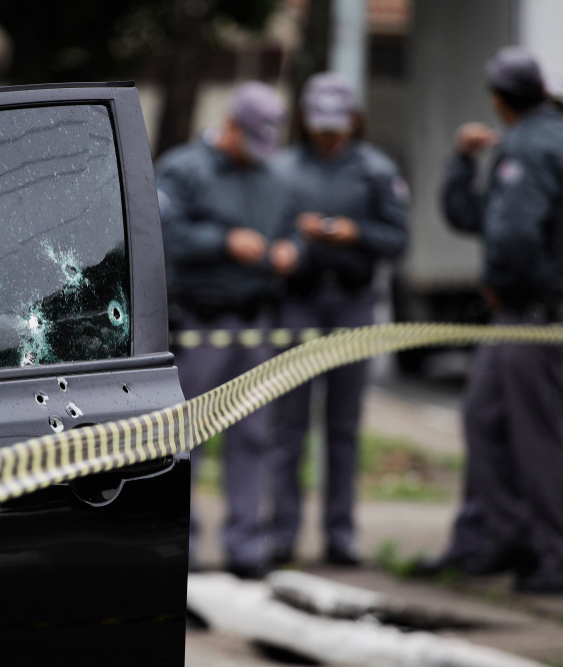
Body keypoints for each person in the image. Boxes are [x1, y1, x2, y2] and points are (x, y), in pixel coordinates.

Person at [431, 47, 563, 593]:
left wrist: (500, 282)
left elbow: (513, 238)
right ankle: (505, 534)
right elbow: (478, 217)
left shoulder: (532, 146)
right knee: (484, 417)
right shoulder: (552, 140)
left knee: (539, 436)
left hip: (533, 313)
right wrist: (461, 161)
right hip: (526, 312)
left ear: (497, 98)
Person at [267, 72, 408, 567]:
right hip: (298, 304)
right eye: (320, 126)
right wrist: (297, 240)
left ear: (354, 121)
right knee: (288, 425)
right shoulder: (282, 168)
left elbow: (398, 239)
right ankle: (282, 534)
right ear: (307, 121)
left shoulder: (376, 170)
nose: (328, 136)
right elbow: (269, 232)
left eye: (336, 127)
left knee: (343, 427)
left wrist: (355, 234)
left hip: (352, 302)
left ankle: (340, 533)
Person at [156, 81, 292, 579]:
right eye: (251, 141)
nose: (257, 153)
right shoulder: (184, 169)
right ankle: (183, 548)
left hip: (255, 322)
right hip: (200, 323)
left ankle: (246, 548)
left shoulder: (272, 174)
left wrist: (293, 249)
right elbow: (159, 231)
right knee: (185, 439)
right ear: (231, 124)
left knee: (253, 436)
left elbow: (292, 225)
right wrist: (223, 242)